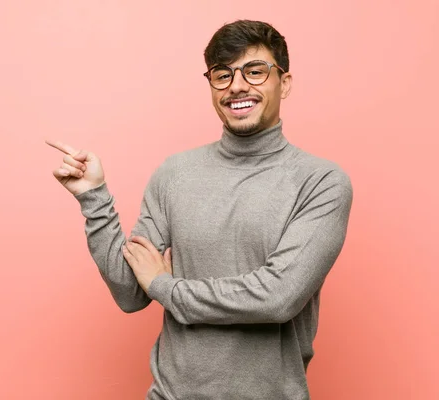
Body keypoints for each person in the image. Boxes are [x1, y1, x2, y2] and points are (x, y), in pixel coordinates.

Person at [46, 19, 353, 400]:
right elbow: (130, 294)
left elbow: (278, 297)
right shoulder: (175, 174)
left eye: (254, 71)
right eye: (222, 75)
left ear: (284, 83)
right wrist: (94, 197)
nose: (237, 86)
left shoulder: (320, 182)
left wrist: (167, 287)